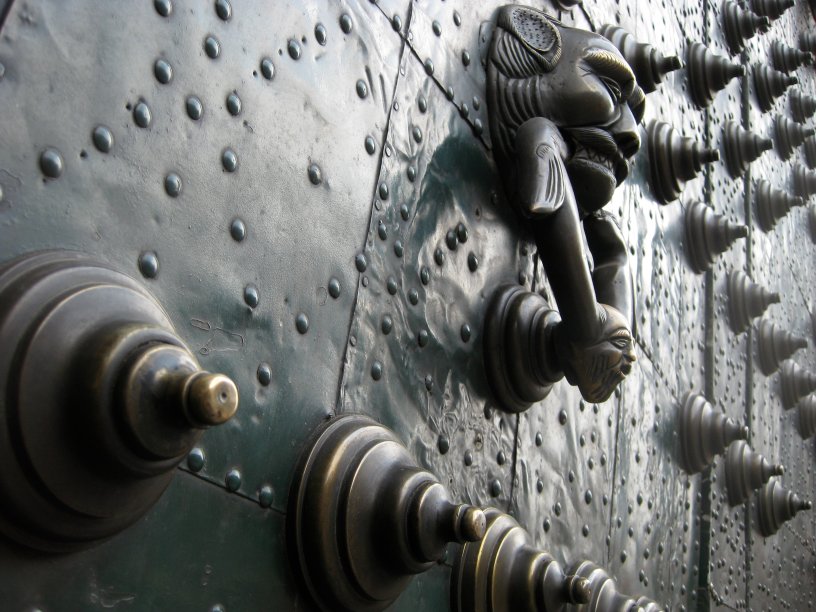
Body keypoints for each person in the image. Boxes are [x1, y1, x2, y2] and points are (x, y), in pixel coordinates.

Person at [487, 5, 642, 402]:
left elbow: (611, 253)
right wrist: (588, 329)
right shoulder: (541, 137)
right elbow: (539, 153)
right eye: (610, 90)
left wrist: (612, 265)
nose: (631, 135)